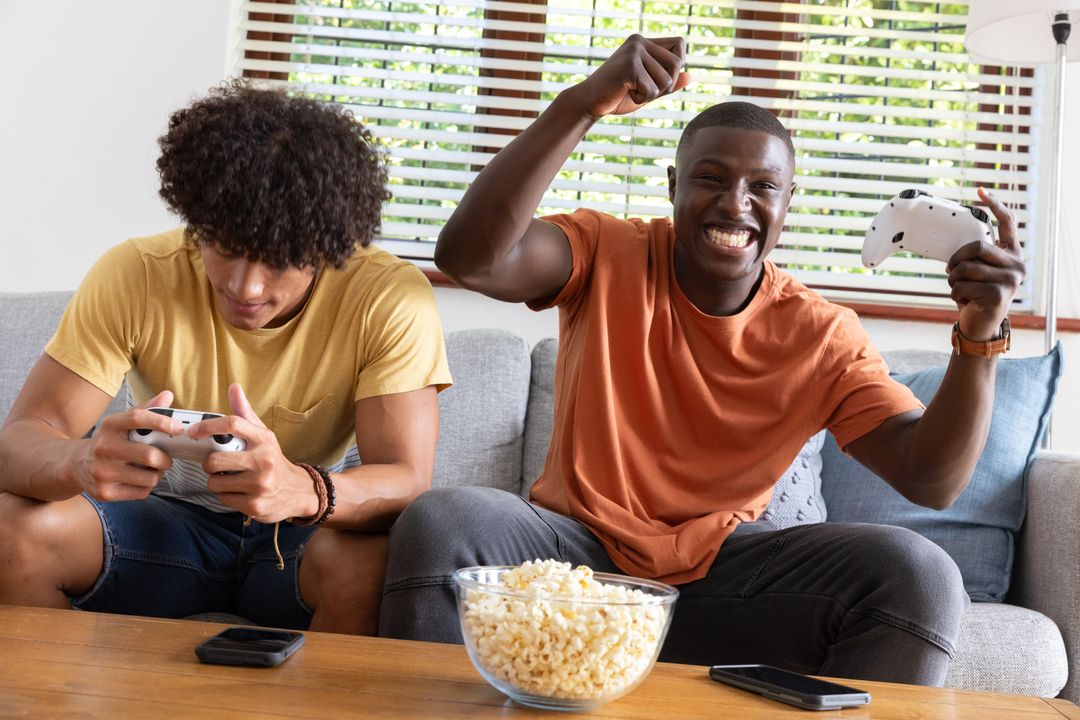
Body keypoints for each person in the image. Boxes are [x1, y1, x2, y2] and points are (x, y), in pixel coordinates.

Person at [378, 35, 1024, 685]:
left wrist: (980, 332)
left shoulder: (822, 333)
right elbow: (473, 259)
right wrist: (581, 105)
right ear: (673, 186)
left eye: (762, 186)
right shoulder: (607, 250)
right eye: (711, 179)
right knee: (444, 519)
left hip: (733, 583)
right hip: (575, 570)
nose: (735, 203)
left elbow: (931, 479)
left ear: (787, 204)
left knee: (921, 573)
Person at [0, 81, 452, 635]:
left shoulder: (386, 295)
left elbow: (407, 479)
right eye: (226, 249)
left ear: (330, 248)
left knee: (370, 563)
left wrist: (301, 488)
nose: (246, 287)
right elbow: (21, 439)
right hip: (159, 522)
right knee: (11, 531)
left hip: (297, 535)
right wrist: (80, 460)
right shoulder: (137, 272)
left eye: (280, 261)